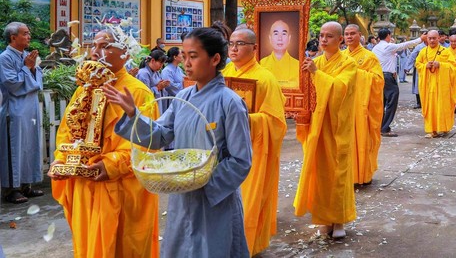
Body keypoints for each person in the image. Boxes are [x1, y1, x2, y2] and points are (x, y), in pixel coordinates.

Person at [108, 25, 253, 257]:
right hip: (183, 196)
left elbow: (240, 160)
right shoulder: (182, 98)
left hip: (214, 198)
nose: (186, 63)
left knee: (215, 249)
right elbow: (160, 136)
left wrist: (203, 182)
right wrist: (134, 115)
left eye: (193, 56)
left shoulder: (230, 103)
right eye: (184, 56)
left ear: (215, 58)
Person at [50, 28, 160, 257]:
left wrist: (111, 164)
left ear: (126, 54)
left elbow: (147, 145)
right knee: (88, 245)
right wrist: (62, 159)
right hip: (84, 184)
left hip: (121, 188)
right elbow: (67, 131)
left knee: (124, 246)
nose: (95, 52)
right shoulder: (84, 89)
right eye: (94, 45)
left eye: (105, 46)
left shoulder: (138, 92)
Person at [221, 27, 286, 255]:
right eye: (231, 43)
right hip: (223, 151)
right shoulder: (224, 73)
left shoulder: (266, 78)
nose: (234, 48)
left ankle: (247, 246)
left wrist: (244, 120)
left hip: (252, 152)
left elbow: (276, 122)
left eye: (240, 44)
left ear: (254, 48)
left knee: (248, 202)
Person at [294, 22, 357, 239]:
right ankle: (323, 218)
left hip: (337, 127)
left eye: (329, 36)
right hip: (317, 126)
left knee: (338, 173)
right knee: (319, 174)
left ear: (339, 40)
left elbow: (340, 90)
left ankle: (339, 220)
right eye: (321, 35)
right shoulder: (315, 62)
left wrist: (316, 74)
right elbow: (305, 93)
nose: (323, 40)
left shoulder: (349, 64)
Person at [1, 22, 43, 204]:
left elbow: (38, 81)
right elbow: (12, 84)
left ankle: (26, 185)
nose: (29, 36)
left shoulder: (27, 56)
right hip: (15, 110)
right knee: (14, 148)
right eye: (25, 34)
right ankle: (11, 190)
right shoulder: (4, 58)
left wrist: (32, 68)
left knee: (29, 146)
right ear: (13, 37)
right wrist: (27, 68)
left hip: (30, 110)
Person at [341, 25, 384, 185]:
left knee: (363, 139)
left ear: (360, 35)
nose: (349, 37)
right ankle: (347, 175)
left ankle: (363, 175)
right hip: (344, 106)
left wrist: (355, 73)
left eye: (352, 34)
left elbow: (378, 81)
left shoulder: (369, 57)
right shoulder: (340, 56)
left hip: (362, 107)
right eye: (346, 34)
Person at [374, 28, 424, 135]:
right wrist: (420, 39)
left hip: (378, 76)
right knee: (392, 101)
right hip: (387, 77)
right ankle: (384, 127)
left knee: (381, 102)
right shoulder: (388, 46)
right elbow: (404, 45)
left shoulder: (376, 47)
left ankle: (380, 126)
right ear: (388, 35)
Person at [415, 30, 456, 138]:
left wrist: (441, 65)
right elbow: (417, 64)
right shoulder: (423, 52)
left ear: (439, 38)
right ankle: (431, 129)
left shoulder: (445, 51)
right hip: (428, 85)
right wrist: (425, 66)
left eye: (434, 38)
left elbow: (453, 66)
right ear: (427, 39)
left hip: (442, 86)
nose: (432, 40)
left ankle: (443, 128)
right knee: (430, 107)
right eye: (430, 38)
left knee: (442, 106)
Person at [260, 19, 300, 88]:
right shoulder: (261, 63)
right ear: (270, 38)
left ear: (289, 38)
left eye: (284, 34)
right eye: (276, 34)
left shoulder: (298, 65)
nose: (280, 38)